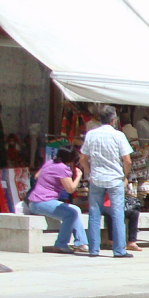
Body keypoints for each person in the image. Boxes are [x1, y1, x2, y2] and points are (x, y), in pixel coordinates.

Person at [79, 106, 133, 258]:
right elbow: (127, 160)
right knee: (117, 214)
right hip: (114, 178)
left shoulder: (91, 135)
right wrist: (124, 175)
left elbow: (83, 158)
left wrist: (89, 171)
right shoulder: (118, 135)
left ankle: (93, 249)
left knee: (94, 213)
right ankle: (119, 250)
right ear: (113, 119)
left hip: (96, 178)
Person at [27, 147, 87, 254]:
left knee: (76, 209)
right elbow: (70, 189)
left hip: (34, 202)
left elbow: (37, 176)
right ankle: (61, 244)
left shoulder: (49, 162)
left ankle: (81, 243)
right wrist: (78, 176)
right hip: (43, 202)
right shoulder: (62, 168)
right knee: (71, 214)